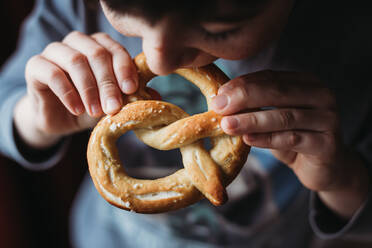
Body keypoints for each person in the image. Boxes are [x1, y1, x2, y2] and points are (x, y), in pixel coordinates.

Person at [1, 0, 371, 247]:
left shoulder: (356, 42)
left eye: (219, 30)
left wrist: (342, 180)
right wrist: (35, 120)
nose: (159, 59)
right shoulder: (76, 8)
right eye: (121, 9)